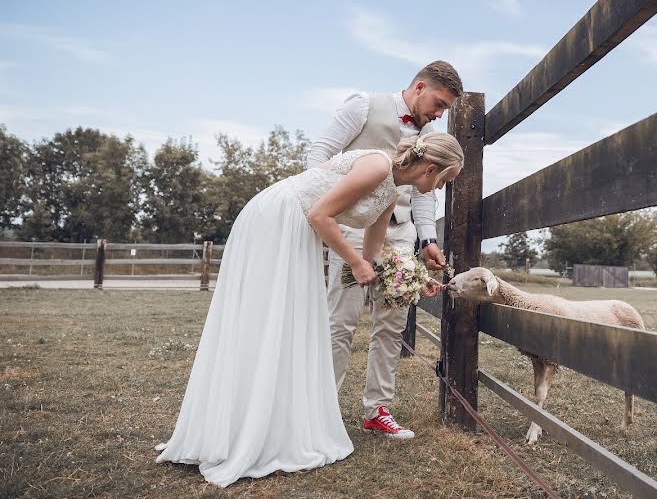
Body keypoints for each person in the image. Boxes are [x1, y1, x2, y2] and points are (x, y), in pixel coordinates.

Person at [155, 133, 465, 488]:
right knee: (266, 318)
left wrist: (412, 278)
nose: (439, 188)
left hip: (299, 228)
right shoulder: (378, 165)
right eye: (445, 180)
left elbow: (373, 255)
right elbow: (321, 214)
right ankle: (236, 428)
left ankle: (262, 421)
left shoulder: (391, 193)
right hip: (279, 218)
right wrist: (354, 263)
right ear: (430, 169)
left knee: (286, 323)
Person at [308, 60, 462, 439]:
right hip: (352, 227)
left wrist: (427, 239)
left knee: (392, 324)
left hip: (399, 236)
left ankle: (378, 409)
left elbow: (425, 194)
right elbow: (319, 155)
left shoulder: (431, 140)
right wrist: (324, 208)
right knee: (341, 320)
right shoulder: (364, 106)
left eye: (446, 110)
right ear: (420, 87)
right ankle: (321, 408)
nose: (440, 114)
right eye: (439, 104)